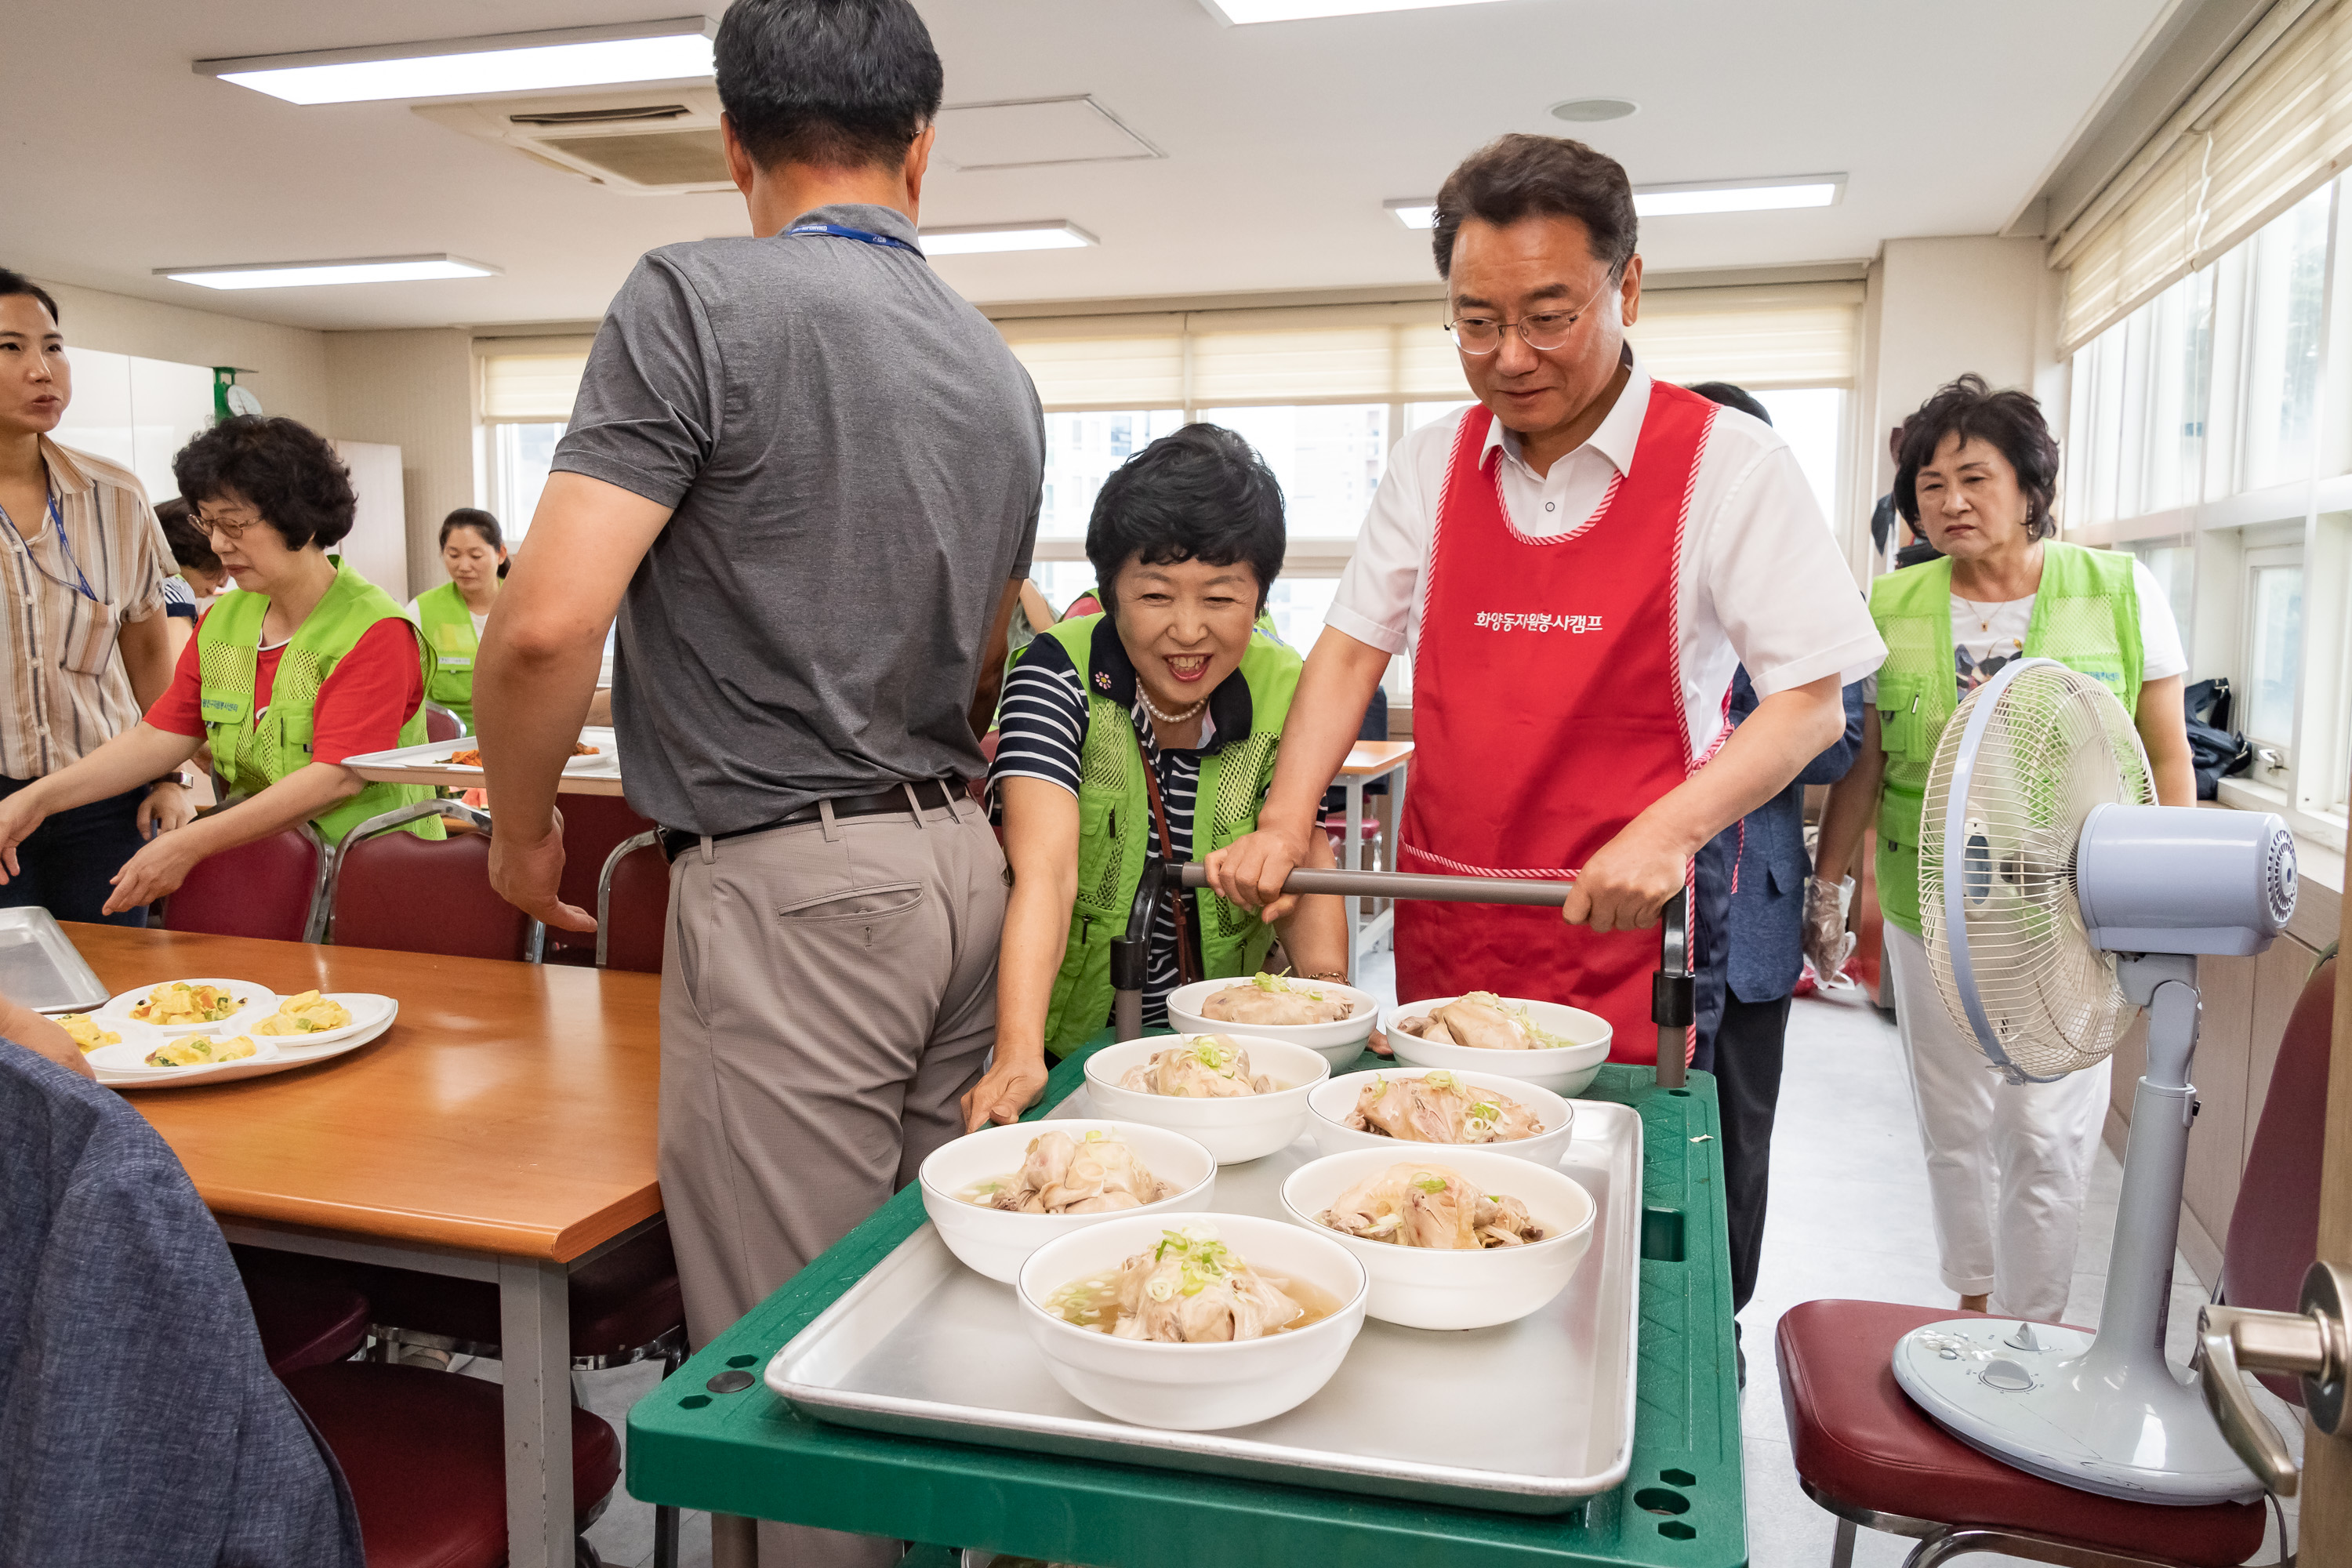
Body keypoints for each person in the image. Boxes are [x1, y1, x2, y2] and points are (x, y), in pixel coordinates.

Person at [469, 5, 1040, 1563]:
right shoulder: (998, 370)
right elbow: (991, 665)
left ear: (733, 144)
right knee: (927, 1326)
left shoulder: (695, 298)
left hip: (795, 890)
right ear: (924, 148)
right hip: (959, 872)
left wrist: (522, 835)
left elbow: (539, 631)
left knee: (795, 1373)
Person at [1208, 135, 1883, 1076]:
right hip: (1448, 909)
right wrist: (1286, 822)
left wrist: (1668, 830)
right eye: (1476, 323)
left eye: (1548, 318)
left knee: (1628, 1188)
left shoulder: (1729, 464)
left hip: (1630, 919)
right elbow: (1351, 651)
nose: (1510, 357)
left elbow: (1808, 706)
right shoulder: (1430, 463)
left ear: (1629, 287)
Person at [1809, 373, 2194, 1323]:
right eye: (1928, 485)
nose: (1950, 501)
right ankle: (1973, 1308)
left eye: (1974, 477)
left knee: (2050, 1127)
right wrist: (1830, 885)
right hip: (1928, 904)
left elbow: (2165, 748)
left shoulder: (2118, 587)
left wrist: (2171, 892)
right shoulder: (1890, 602)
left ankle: (2039, 1322)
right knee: (1954, 1122)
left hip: (2074, 913)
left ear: (2030, 488)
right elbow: (1869, 761)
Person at [968, 426, 1348, 1125]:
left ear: (1260, 599)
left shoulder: (1289, 686)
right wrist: (1017, 1051)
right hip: (1071, 1048)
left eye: (1220, 598)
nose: (1187, 630)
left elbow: (1306, 855)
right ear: (1111, 592)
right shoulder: (1056, 673)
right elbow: (1044, 872)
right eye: (1155, 595)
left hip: (1232, 1054)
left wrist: (1332, 1008)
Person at [0, 416, 443, 916]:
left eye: (235, 525)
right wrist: (36, 800)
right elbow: (157, 738)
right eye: (208, 524)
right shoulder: (227, 619)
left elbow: (335, 777)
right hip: (265, 879)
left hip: (370, 883)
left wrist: (191, 843)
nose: (217, 545)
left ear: (301, 517)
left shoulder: (373, 628)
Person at [1684, 381, 1868, 1337]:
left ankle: (1726, 1320)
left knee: (1739, 1129)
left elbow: (1839, 744)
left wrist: (1737, 701)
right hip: (1650, 908)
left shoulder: (1805, 578)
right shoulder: (1650, 570)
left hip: (1750, 909)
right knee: (1648, 1117)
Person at [0, 269, 189, 924]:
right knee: (17, 1009)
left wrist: (169, 776)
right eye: (10, 348)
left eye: (53, 347)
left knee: (118, 993)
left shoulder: (115, 494)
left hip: (102, 797)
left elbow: (145, 646)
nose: (42, 370)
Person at [406, 508, 507, 731]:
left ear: (500, 554)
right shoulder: (422, 610)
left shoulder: (525, 606)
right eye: (453, 555)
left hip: (518, 739)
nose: (463, 566)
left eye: (475, 556)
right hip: (449, 750)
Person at [156, 496, 231, 664]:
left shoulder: (151, 585)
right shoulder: (177, 593)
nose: (222, 584)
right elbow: (176, 676)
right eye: (222, 569)